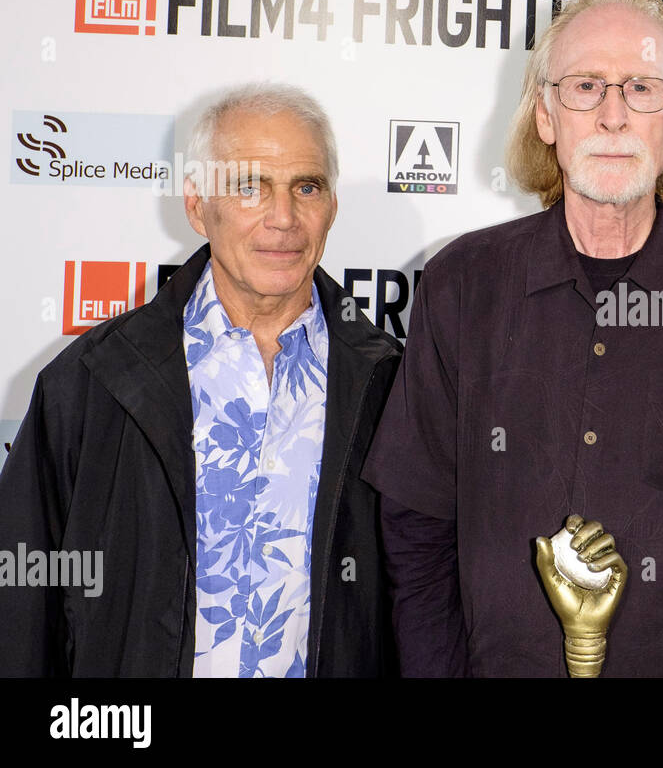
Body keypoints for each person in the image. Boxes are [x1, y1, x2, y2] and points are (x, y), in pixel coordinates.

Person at [364, 0, 663, 677]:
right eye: (585, 86)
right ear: (546, 117)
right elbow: (414, 530)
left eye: (643, 88)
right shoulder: (461, 284)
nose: (613, 115)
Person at [0, 83, 401, 677]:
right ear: (196, 206)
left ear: (332, 206)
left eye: (306, 187)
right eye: (249, 187)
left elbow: (422, 602)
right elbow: (22, 606)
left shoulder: (391, 384)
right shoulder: (92, 380)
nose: (283, 218)